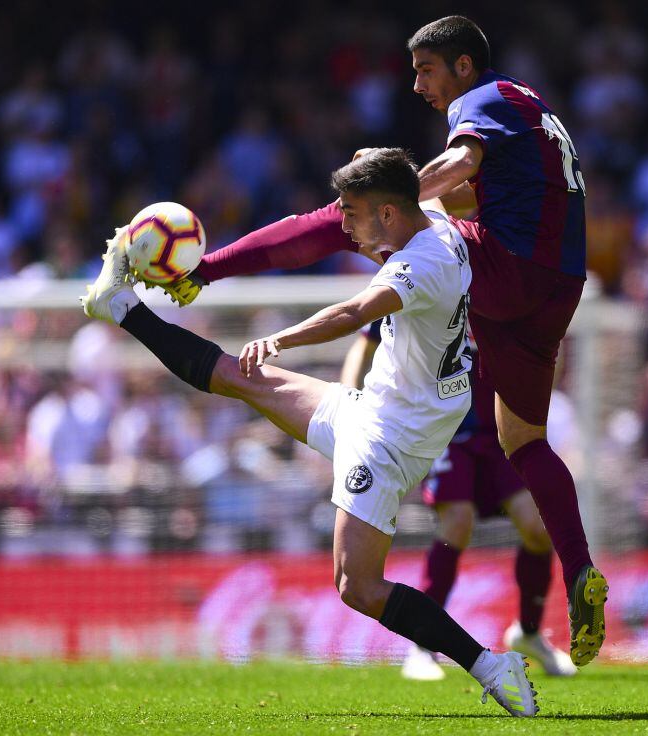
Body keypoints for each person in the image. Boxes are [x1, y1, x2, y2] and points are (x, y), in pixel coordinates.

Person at [133, 15, 607, 668]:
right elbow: (488, 184)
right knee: (522, 440)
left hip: (507, 264)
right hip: (559, 285)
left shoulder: (483, 101)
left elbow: (462, 165)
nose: (417, 86)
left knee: (338, 219)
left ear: (463, 66)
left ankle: (206, 268)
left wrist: (386, 196)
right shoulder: (529, 107)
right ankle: (582, 567)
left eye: (426, 70)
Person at [83, 149, 539, 717]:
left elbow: (353, 312)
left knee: (357, 587)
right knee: (239, 380)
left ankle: (492, 666)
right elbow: (368, 210)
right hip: (375, 409)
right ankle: (119, 305)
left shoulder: (423, 265)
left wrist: (282, 339)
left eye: (351, 212)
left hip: (389, 440)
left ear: (391, 214)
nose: (343, 225)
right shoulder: (438, 221)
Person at [341, 322, 576, 680]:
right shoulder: (425, 270)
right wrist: (349, 404)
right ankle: (422, 646)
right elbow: (365, 343)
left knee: (537, 530)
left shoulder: (500, 280)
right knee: (457, 523)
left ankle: (527, 634)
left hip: (500, 431)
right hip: (443, 430)